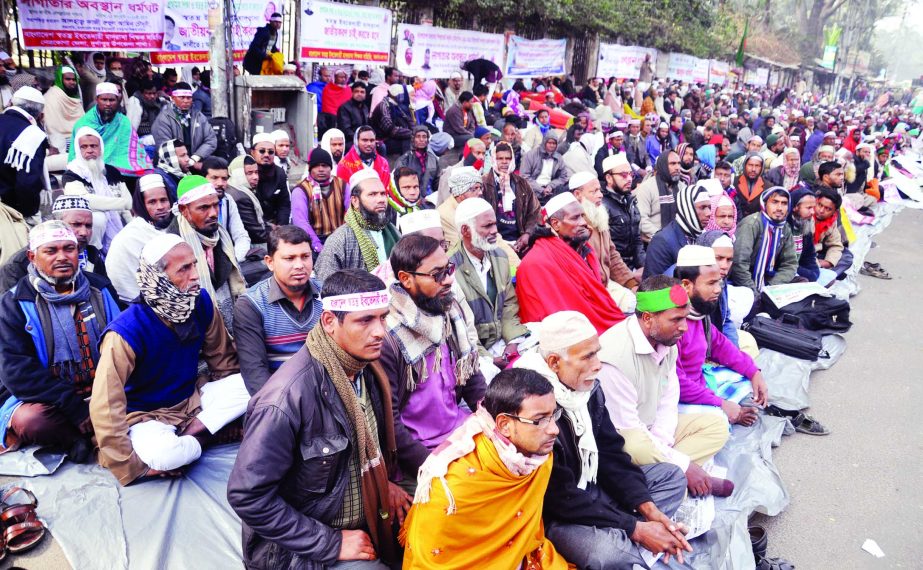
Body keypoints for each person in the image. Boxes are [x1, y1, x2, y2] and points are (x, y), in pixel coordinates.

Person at [228, 269, 406, 568]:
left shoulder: (366, 367)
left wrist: (384, 482)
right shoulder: (285, 398)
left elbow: (363, 449)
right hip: (307, 546)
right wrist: (330, 543)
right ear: (329, 322)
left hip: (366, 510)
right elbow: (247, 496)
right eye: (365, 320)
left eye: (383, 317)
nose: (380, 332)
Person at [514, 311, 691, 568]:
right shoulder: (532, 407)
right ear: (554, 362)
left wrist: (648, 510)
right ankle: (624, 539)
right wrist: (635, 528)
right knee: (607, 554)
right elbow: (557, 497)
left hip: (594, 489)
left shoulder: (588, 388)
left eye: (597, 352)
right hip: (560, 514)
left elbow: (610, 452)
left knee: (672, 477)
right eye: (587, 356)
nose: (598, 364)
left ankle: (625, 534)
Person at [90, 234, 249, 485]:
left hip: (192, 400)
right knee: (165, 456)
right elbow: (106, 404)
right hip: (147, 416)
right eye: (184, 269)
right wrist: (130, 466)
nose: (196, 275)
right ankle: (203, 437)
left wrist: (231, 407)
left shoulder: (200, 302)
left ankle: (195, 430)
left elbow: (224, 361)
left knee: (254, 386)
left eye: (194, 264)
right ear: (159, 277)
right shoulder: (126, 332)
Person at [400, 368, 570, 569]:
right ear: (504, 425)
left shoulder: (537, 455)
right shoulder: (454, 486)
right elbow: (430, 560)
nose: (554, 429)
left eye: (553, 415)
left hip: (525, 557)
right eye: (539, 420)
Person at [598, 275, 732, 498]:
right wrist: (685, 464)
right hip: (624, 439)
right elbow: (626, 426)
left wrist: (664, 444)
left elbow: (668, 400)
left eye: (685, 318)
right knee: (634, 445)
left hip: (653, 433)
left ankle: (662, 476)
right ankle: (680, 475)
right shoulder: (613, 357)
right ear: (648, 318)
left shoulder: (667, 340)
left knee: (716, 425)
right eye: (676, 320)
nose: (684, 328)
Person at [0, 221, 120, 460]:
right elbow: (16, 371)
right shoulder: (14, 303)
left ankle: (93, 432)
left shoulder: (100, 288)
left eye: (69, 249)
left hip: (104, 388)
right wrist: (72, 405)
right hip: (53, 400)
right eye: (51, 251)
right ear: (32, 257)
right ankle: (74, 438)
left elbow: (125, 340)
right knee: (31, 421)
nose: (62, 257)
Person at [378, 234, 487, 488]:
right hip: (419, 452)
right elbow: (390, 424)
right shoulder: (387, 337)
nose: (448, 279)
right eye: (437, 274)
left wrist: (492, 416)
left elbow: (470, 376)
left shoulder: (447, 310)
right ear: (406, 279)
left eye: (449, 269)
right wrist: (433, 465)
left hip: (458, 430)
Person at [674, 245, 768, 424]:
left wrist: (754, 372)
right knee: (717, 422)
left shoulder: (699, 315)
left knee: (750, 385)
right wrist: (720, 404)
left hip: (699, 384)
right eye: (711, 283)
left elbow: (721, 346)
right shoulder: (673, 323)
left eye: (719, 282)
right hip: (678, 397)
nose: (718, 289)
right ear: (686, 285)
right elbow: (676, 383)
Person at [517, 193, 625, 334]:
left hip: (592, 324)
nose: (583, 222)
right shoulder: (537, 262)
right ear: (555, 224)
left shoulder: (585, 249)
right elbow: (554, 316)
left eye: (582, 216)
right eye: (575, 218)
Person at [234, 225, 322, 395]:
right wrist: (280, 408)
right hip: (279, 395)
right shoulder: (251, 305)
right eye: (289, 258)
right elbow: (255, 372)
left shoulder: (326, 296)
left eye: (305, 257)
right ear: (270, 262)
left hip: (326, 389)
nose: (299, 265)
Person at [449, 197, 529, 372]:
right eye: (487, 226)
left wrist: (513, 342)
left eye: (494, 224)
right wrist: (489, 359)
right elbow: (460, 329)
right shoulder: (450, 268)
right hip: (472, 352)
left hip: (501, 343)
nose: (495, 231)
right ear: (465, 230)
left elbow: (509, 305)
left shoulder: (499, 256)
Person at [167, 176, 247, 327]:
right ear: (184, 210)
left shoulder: (220, 235)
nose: (213, 213)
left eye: (215, 205)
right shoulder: (173, 244)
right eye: (203, 208)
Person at [0, 194, 109, 295]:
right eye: (76, 224)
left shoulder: (93, 256)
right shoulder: (17, 266)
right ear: (55, 222)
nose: (84, 232)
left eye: (88, 226)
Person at [315, 169, 400, 281]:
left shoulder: (393, 232)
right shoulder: (340, 239)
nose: (381, 200)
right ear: (355, 201)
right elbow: (324, 281)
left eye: (383, 194)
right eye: (372, 194)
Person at [105, 174, 174, 303]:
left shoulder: (179, 225)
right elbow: (123, 282)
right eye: (152, 202)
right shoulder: (129, 237)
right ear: (142, 205)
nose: (160, 206)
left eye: (163, 200)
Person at [63, 127, 132, 251]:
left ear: (101, 148)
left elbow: (128, 203)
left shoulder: (111, 171)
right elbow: (85, 201)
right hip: (85, 224)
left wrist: (132, 223)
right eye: (84, 147)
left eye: (93, 146)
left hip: (117, 222)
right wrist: (122, 203)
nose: (89, 150)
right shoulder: (72, 173)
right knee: (99, 218)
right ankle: (93, 257)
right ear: (78, 150)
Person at [570, 170, 640, 292]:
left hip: (607, 284)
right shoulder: (573, 228)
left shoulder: (598, 217)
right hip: (588, 290)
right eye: (594, 191)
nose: (600, 195)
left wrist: (631, 284)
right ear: (577, 194)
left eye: (600, 190)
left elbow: (612, 256)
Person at [70, 82, 152, 178]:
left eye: (112, 100)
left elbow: (135, 152)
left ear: (118, 100)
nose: (108, 104)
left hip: (122, 170)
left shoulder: (123, 121)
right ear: (97, 100)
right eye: (104, 100)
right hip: (91, 168)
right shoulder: (83, 124)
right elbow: (79, 155)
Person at [731, 187, 797, 294]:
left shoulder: (785, 228)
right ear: (765, 204)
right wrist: (755, 292)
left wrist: (771, 287)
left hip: (769, 280)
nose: (779, 208)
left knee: (802, 282)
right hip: (745, 281)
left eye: (784, 203)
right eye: (774, 202)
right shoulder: (751, 225)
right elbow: (739, 264)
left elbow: (790, 264)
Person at [643, 180, 712, 279]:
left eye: (709, 207)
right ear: (687, 208)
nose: (709, 213)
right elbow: (653, 287)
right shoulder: (662, 241)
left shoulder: (703, 237)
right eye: (702, 207)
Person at [480, 142, 540, 256]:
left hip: (520, 239)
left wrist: (527, 234)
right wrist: (499, 242)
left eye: (508, 158)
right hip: (493, 241)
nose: (504, 162)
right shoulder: (484, 184)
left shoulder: (522, 183)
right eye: (500, 158)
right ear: (493, 159)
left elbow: (535, 212)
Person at [0, 86, 47, 219]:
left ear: (11, 103)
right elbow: (27, 182)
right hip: (8, 210)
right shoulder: (32, 134)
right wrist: (27, 213)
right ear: (39, 114)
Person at [151, 81, 216, 173]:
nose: (186, 101)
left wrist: (195, 158)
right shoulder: (164, 118)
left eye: (189, 98)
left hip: (195, 161)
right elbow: (165, 147)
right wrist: (185, 161)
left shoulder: (198, 116)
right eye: (181, 97)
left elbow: (211, 140)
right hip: (172, 166)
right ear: (173, 98)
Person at [291, 147, 347, 253]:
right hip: (314, 240)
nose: (321, 169)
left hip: (341, 237)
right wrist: (317, 245)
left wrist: (345, 238)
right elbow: (301, 223)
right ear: (310, 168)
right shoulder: (301, 190)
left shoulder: (342, 185)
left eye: (324, 165)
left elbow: (352, 212)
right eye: (316, 166)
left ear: (330, 168)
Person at [600, 154, 646, 271]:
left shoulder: (629, 200)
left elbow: (637, 239)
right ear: (609, 178)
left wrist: (643, 267)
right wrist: (630, 277)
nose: (630, 179)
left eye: (631, 174)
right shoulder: (602, 206)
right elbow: (607, 252)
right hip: (616, 270)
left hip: (633, 267)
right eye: (623, 175)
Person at [202, 157, 250, 263]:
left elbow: (241, 236)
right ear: (203, 178)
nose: (220, 183)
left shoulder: (227, 200)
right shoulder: (193, 205)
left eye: (224, 179)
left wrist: (232, 260)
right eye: (214, 178)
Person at [635, 151, 684, 243]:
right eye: (673, 164)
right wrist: (663, 236)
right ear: (663, 166)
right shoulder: (646, 188)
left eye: (679, 163)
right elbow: (641, 220)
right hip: (654, 241)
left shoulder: (683, 187)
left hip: (679, 240)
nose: (677, 167)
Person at [226, 155, 271, 248]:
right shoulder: (240, 197)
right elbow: (258, 234)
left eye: (256, 172)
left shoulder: (239, 188)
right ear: (239, 174)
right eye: (249, 173)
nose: (255, 177)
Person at [813, 183, 854, 280]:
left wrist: (828, 262)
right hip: (803, 255)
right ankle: (824, 275)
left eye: (828, 209)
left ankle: (824, 276)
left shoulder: (831, 222)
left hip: (817, 256)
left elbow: (835, 245)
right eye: (820, 205)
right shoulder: (806, 215)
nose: (821, 210)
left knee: (847, 257)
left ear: (834, 212)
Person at [249, 133, 291, 225]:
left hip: (275, 225)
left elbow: (284, 205)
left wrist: (281, 229)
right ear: (252, 152)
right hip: (251, 224)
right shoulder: (244, 173)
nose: (266, 155)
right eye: (262, 151)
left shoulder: (279, 173)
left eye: (271, 152)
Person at [43, 65, 84, 158]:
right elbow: (51, 127)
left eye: (74, 79)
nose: (72, 82)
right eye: (68, 79)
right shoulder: (51, 97)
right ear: (59, 80)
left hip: (79, 141)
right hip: (60, 145)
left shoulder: (74, 98)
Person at [437, 166, 483, 247]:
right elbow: (458, 250)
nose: (480, 193)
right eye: (474, 189)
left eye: (480, 188)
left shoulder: (478, 206)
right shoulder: (444, 215)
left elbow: (495, 238)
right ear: (460, 192)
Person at [336, 126, 391, 191]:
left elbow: (387, 189)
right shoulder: (344, 165)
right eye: (364, 140)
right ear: (356, 141)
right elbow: (343, 193)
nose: (369, 144)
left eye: (372, 140)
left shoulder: (383, 163)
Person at [521, 133, 570, 205]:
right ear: (544, 142)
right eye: (549, 143)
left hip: (551, 191)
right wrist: (541, 189)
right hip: (532, 190)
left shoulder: (558, 158)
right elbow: (524, 176)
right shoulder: (531, 155)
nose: (552, 145)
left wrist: (551, 186)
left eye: (554, 143)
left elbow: (563, 177)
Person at [787, 187, 823, 283]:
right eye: (808, 208)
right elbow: (781, 263)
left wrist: (813, 273)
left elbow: (809, 256)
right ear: (795, 207)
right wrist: (807, 274)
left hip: (798, 269)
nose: (813, 212)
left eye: (813, 208)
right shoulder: (784, 226)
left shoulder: (806, 223)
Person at [395, 126, 441, 197]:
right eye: (418, 136)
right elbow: (398, 184)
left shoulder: (433, 159)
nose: (421, 139)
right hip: (410, 198)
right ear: (413, 139)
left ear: (428, 140)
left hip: (429, 198)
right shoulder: (404, 160)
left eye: (424, 137)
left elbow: (437, 182)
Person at [371, 83, 414, 156]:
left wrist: (416, 131)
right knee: (409, 140)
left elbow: (408, 120)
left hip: (392, 138)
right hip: (383, 140)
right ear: (395, 95)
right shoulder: (384, 106)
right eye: (401, 94)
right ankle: (406, 164)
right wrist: (412, 133)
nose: (403, 96)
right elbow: (391, 130)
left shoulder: (395, 105)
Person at [337, 81, 370, 149]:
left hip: (363, 139)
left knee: (381, 146)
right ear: (352, 93)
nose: (359, 94)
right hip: (349, 141)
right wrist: (360, 139)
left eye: (362, 92)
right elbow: (346, 130)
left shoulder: (365, 108)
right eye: (356, 91)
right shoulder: (345, 107)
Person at [320, 70, 352, 138]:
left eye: (344, 77)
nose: (343, 79)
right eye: (340, 77)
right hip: (330, 119)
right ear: (335, 78)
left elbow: (350, 105)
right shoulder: (327, 89)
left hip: (345, 118)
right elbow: (327, 106)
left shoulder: (348, 89)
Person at [734, 153, 766, 218]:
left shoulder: (767, 186)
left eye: (757, 166)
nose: (753, 169)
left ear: (762, 168)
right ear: (745, 165)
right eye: (750, 165)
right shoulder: (734, 182)